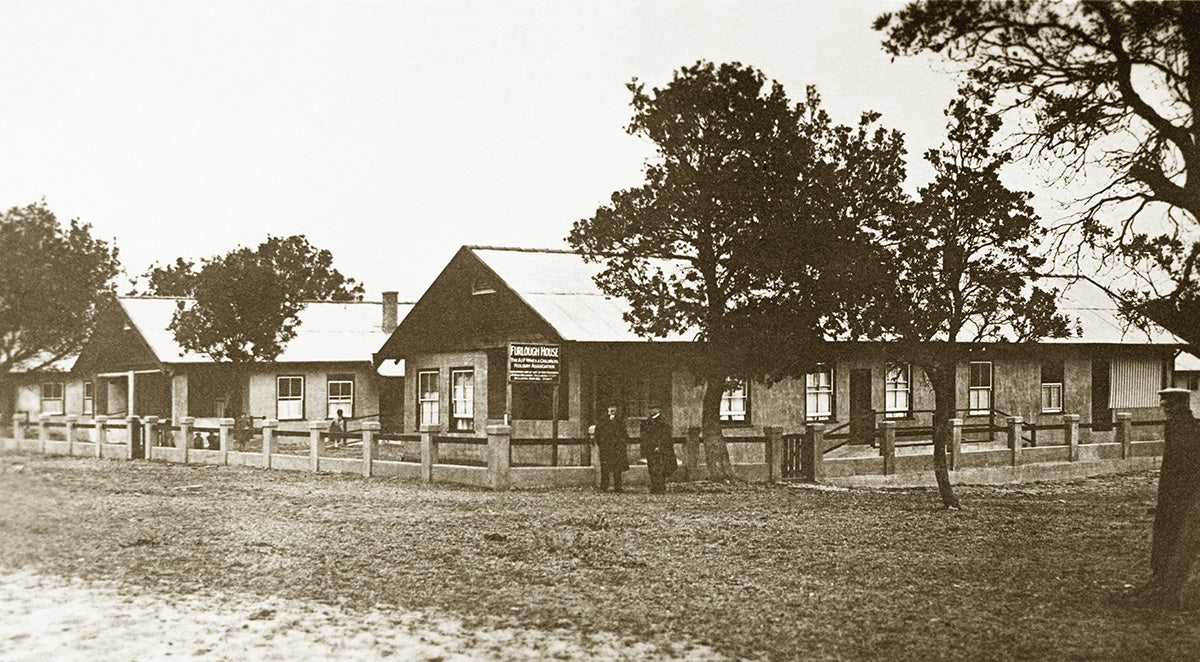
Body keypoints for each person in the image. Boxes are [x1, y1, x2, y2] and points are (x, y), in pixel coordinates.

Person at [641, 403, 676, 494]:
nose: (651, 410)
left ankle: (660, 487)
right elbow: (644, 436)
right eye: (650, 408)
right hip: (650, 449)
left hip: (660, 449)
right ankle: (654, 486)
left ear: (658, 410)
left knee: (660, 468)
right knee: (651, 467)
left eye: (653, 408)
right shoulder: (647, 422)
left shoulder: (663, 422)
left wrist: (659, 446)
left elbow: (665, 436)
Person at [593, 405, 629, 492]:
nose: (612, 410)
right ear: (607, 409)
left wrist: (621, 445)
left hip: (617, 449)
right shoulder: (602, 421)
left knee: (617, 469)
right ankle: (604, 486)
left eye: (614, 408)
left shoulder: (620, 421)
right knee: (605, 468)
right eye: (610, 408)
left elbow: (624, 434)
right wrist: (602, 444)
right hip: (606, 449)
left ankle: (618, 487)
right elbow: (597, 434)